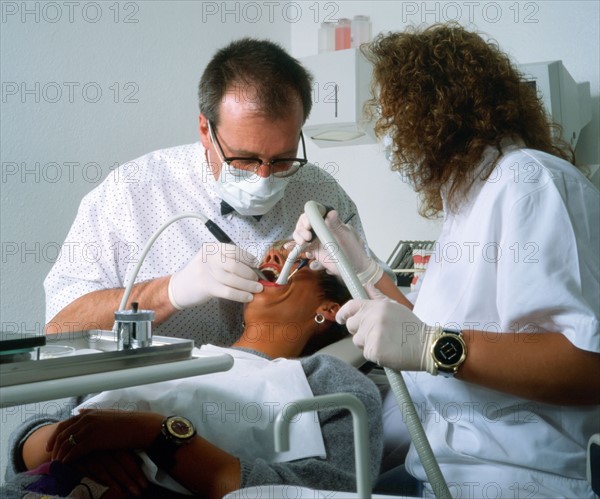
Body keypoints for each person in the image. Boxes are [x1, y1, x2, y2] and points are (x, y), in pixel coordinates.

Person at [293, 24, 600, 498]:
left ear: (436, 109)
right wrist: (356, 264)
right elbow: (424, 329)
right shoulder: (467, 200)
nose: (389, 135)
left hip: (519, 478)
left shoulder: (529, 182)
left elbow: (586, 364)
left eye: (393, 116)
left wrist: (433, 347)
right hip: (443, 468)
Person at [43, 38, 383, 346]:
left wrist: (362, 271)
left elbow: (377, 312)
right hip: (149, 402)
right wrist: (170, 291)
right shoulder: (130, 194)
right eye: (245, 159)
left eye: (282, 160)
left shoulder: (320, 192)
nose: (263, 177)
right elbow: (59, 329)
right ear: (206, 129)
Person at [5, 243, 383, 499]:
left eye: (295, 259)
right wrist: (84, 442)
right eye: (272, 249)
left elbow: (324, 491)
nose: (273, 254)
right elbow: (24, 445)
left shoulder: (331, 383)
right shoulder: (165, 352)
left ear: (329, 309)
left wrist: (154, 434)